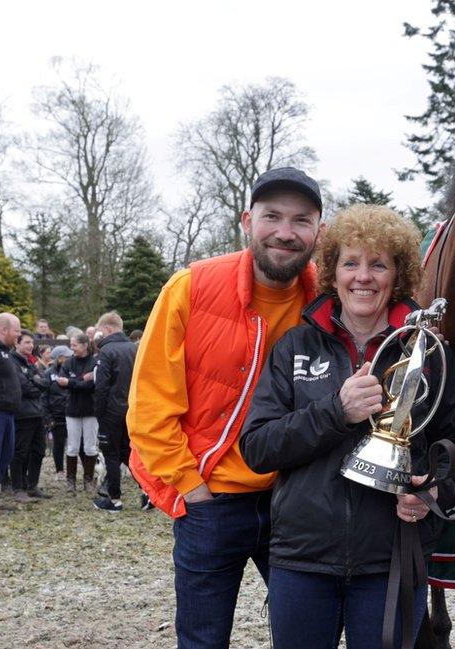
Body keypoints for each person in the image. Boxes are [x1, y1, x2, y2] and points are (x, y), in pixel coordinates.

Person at [240, 204, 455, 648]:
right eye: (351, 262)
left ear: (396, 275)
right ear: (332, 272)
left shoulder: (430, 353)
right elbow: (257, 447)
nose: (363, 276)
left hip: (393, 561)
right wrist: (335, 412)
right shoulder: (295, 345)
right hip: (301, 559)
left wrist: (434, 491)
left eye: (378, 264)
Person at [127, 167, 323, 648]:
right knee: (203, 639)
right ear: (246, 221)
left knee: (306, 636)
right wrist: (191, 487)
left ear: (320, 231)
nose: (284, 231)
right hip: (211, 501)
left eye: (301, 220)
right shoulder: (190, 288)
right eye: (271, 216)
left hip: (293, 503)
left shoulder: (330, 304)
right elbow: (149, 405)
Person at [91, 311, 138, 512]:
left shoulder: (107, 351)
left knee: (110, 453)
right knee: (129, 453)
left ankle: (114, 498)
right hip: (132, 410)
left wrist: (98, 411)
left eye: (100, 330)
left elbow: (101, 386)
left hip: (111, 411)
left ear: (107, 329)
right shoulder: (134, 350)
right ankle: (148, 493)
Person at [10, 330, 50, 502]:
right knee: (20, 452)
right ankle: (18, 488)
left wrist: (35, 382)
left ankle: (32, 485)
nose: (30, 346)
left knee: (39, 450)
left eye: (31, 343)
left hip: (37, 412)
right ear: (16, 343)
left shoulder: (31, 362)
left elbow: (46, 383)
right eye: (26, 342)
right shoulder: (12, 362)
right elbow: (24, 387)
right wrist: (36, 383)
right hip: (22, 414)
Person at [0, 313, 22, 517]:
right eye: (17, 330)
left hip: (7, 414)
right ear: (4, 330)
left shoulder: (4, 351)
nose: (19, 335)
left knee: (3, 458)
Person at [58, 333, 99, 492]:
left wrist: (71, 383)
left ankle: (88, 480)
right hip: (72, 411)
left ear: (84, 345)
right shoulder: (68, 363)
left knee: (90, 447)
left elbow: (92, 386)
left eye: (74, 345)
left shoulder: (95, 363)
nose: (72, 348)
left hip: (90, 410)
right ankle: (71, 481)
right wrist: (81, 381)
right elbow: (60, 382)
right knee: (72, 447)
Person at [44, 345, 74, 481]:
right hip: (57, 414)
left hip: (73, 412)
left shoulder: (71, 372)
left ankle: (81, 471)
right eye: (67, 356)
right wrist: (48, 416)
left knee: (76, 444)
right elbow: (44, 396)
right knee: (59, 444)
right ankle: (60, 470)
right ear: (60, 358)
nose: (69, 358)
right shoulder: (48, 374)